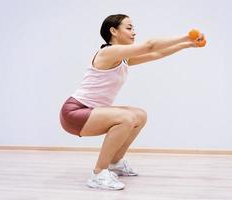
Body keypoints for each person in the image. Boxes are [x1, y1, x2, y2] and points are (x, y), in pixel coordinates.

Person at [60, 14, 206, 190]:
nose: (134, 33)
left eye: (133, 29)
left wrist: (187, 45)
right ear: (113, 31)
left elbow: (156, 53)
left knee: (139, 115)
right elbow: (150, 45)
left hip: (90, 112)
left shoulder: (122, 58)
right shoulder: (108, 52)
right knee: (126, 118)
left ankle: (115, 163)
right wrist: (185, 36)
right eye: (129, 28)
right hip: (74, 112)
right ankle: (98, 174)